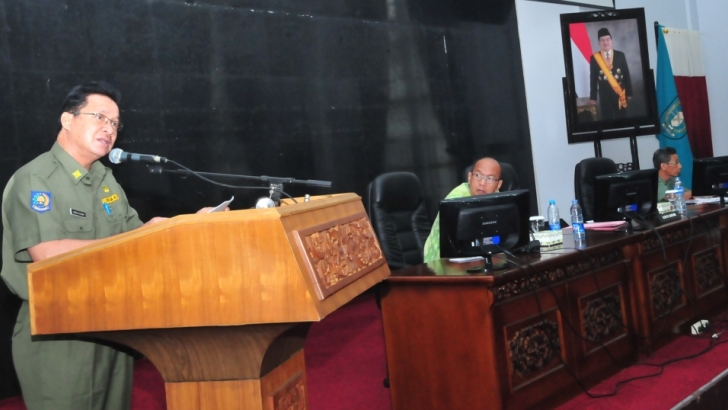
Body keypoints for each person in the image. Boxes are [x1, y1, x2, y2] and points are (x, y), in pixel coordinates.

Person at [0, 81, 215, 410]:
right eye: (99, 117)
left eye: (115, 123)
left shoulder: (105, 179)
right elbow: (46, 254)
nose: (109, 129)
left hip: (113, 328)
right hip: (60, 333)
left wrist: (185, 225)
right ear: (67, 119)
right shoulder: (36, 179)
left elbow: (138, 238)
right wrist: (135, 238)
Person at [422, 157, 502, 263]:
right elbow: (457, 244)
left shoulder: (499, 198)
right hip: (440, 261)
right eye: (478, 175)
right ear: (469, 177)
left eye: (490, 178)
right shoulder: (456, 200)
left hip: (478, 256)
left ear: (498, 185)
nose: (482, 183)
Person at [588, 28, 633, 120]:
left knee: (621, 119)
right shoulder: (595, 58)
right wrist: (593, 97)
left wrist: (629, 92)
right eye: (602, 40)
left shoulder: (620, 55)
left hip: (620, 93)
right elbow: (593, 79)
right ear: (599, 43)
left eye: (607, 39)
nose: (605, 42)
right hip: (604, 95)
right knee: (607, 119)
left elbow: (626, 75)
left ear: (611, 41)